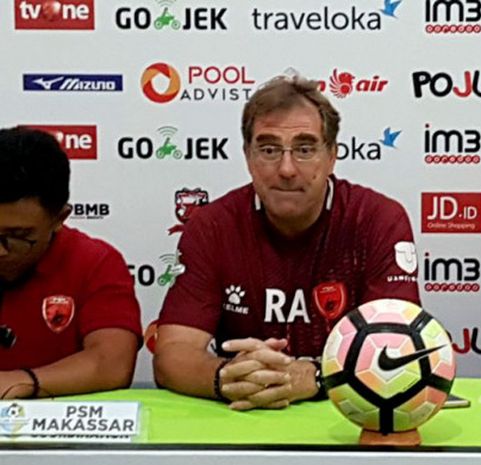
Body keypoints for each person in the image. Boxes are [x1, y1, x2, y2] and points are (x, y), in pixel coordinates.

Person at [154, 74, 420, 410]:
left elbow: (397, 351)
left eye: (305, 149)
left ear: (332, 156)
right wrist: (227, 377)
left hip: (346, 421)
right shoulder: (213, 226)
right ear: (247, 156)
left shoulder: (377, 219)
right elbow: (172, 354)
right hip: (243, 419)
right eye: (268, 149)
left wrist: (316, 378)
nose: (286, 168)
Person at [0, 127, 142, 399]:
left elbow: (111, 365)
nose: (1, 252)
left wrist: (18, 383)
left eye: (18, 237)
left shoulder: (95, 263)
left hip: (57, 433)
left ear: (59, 218)